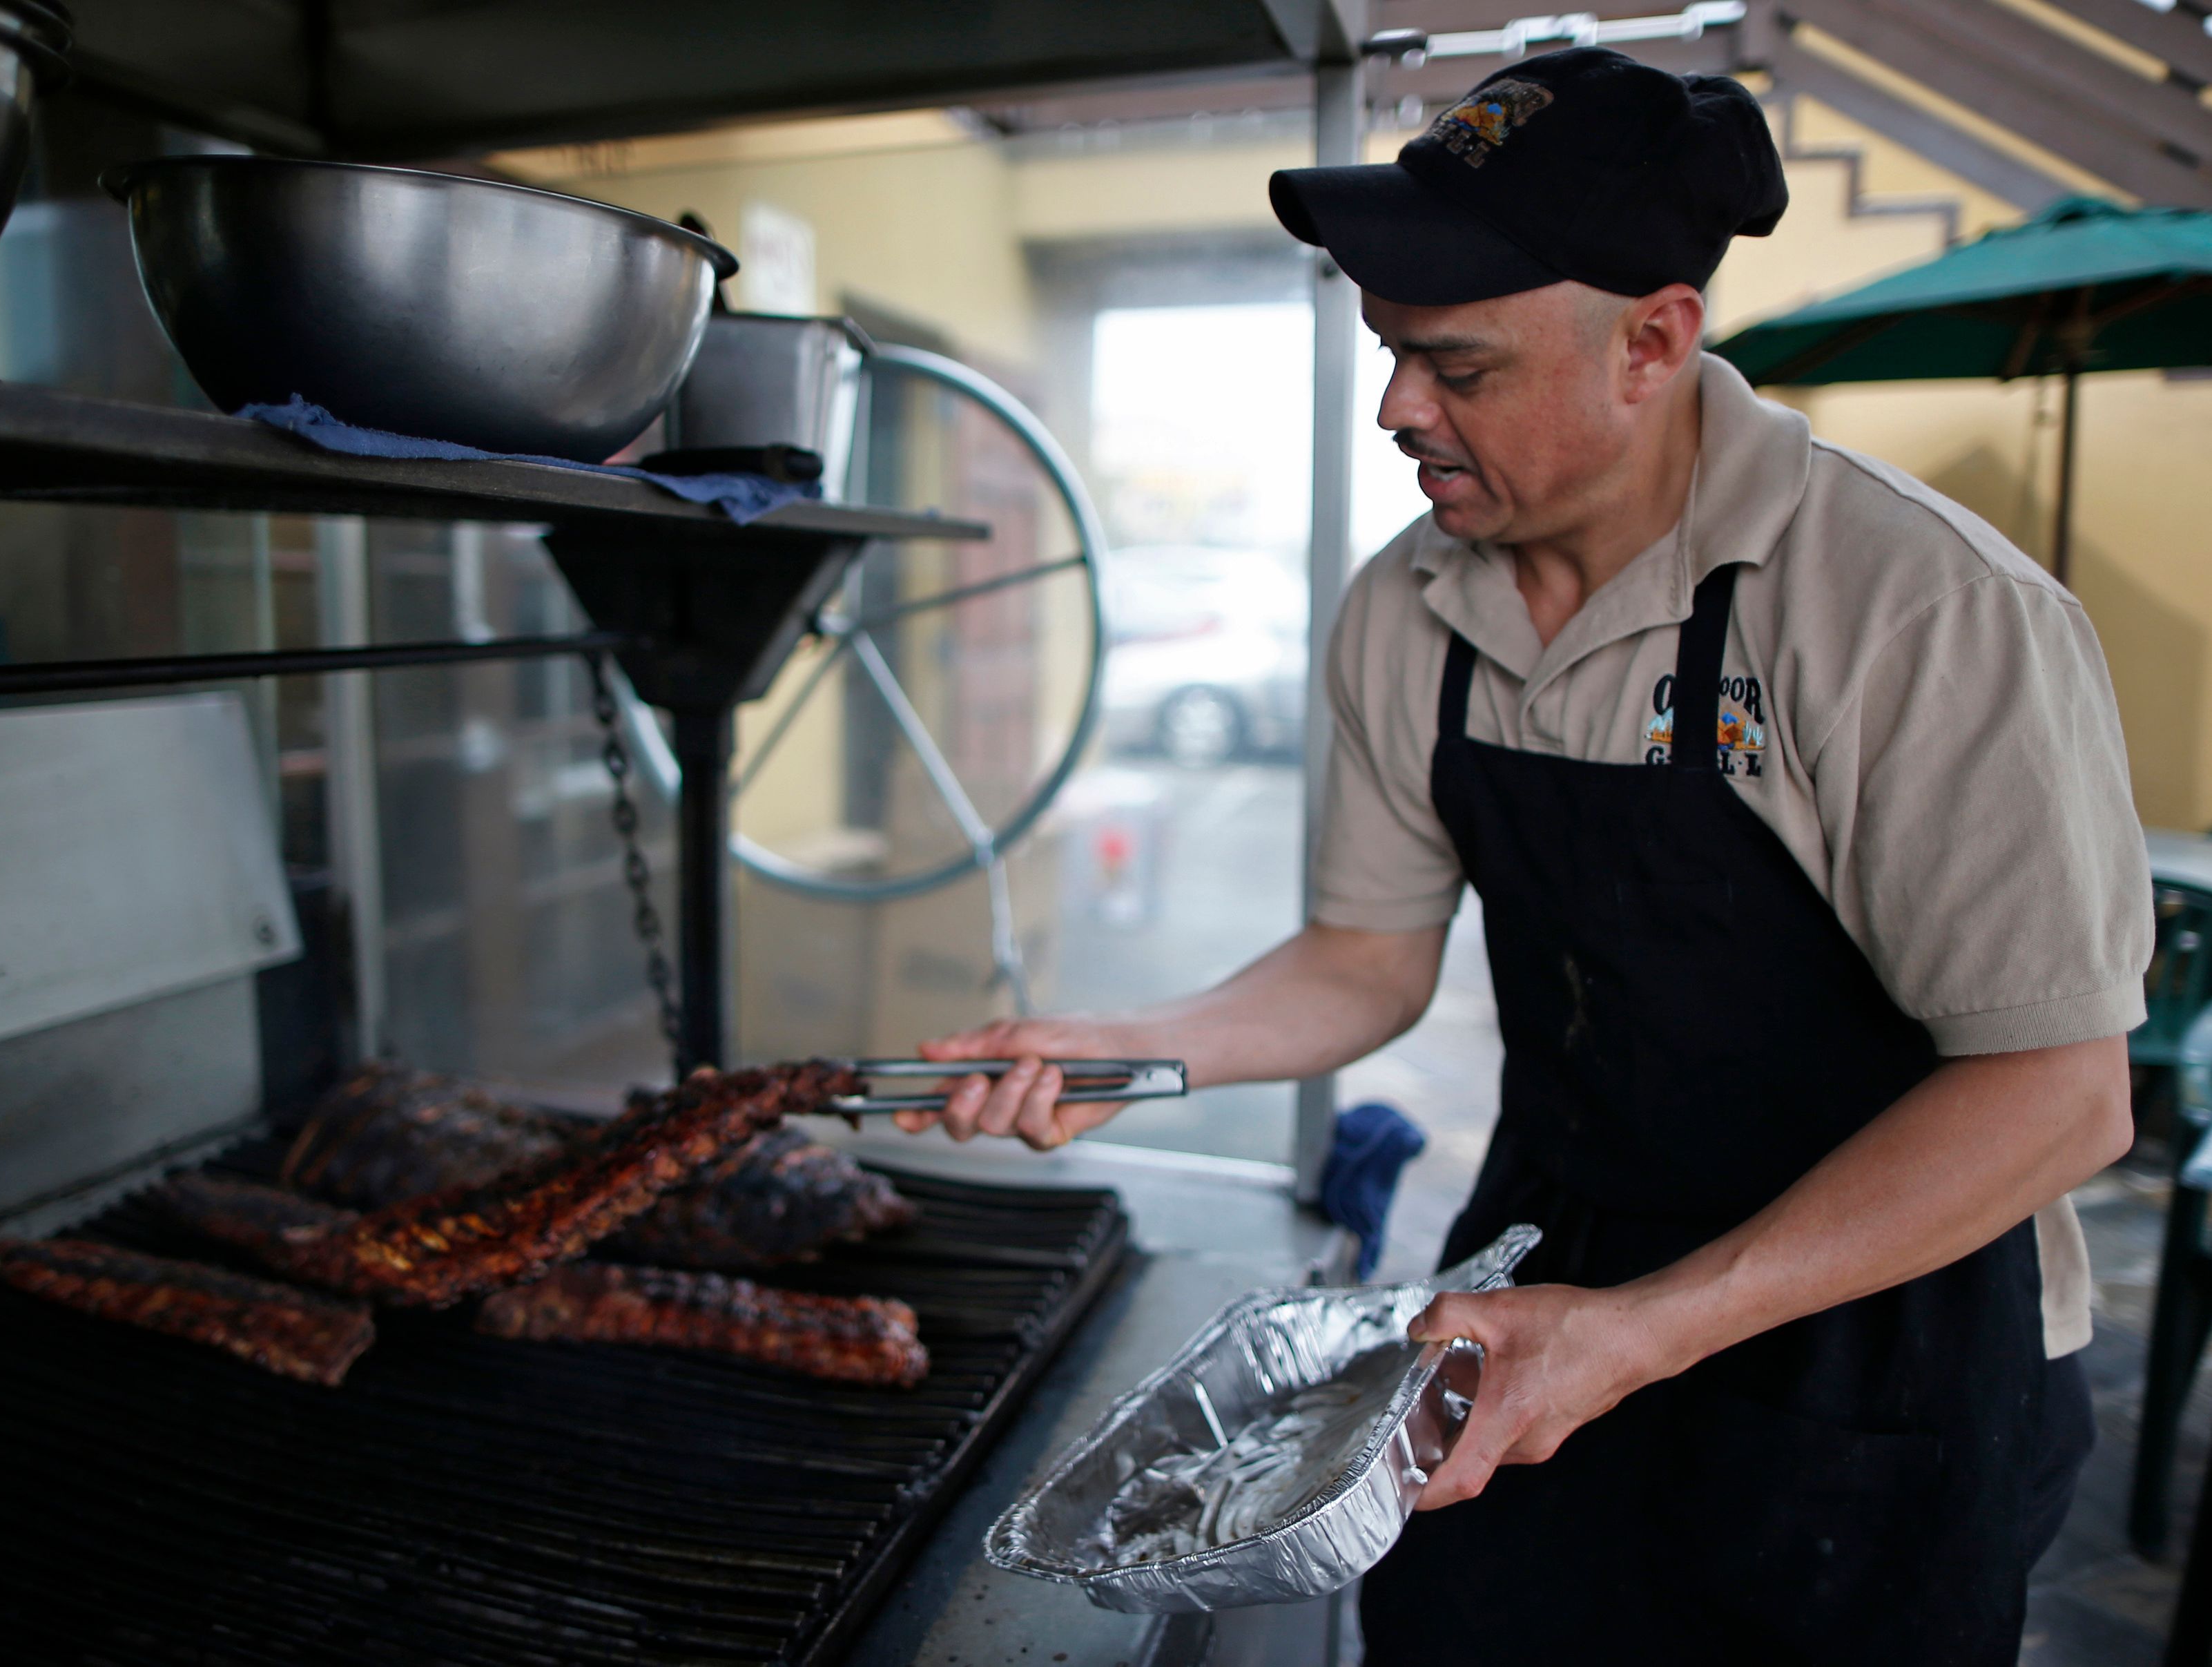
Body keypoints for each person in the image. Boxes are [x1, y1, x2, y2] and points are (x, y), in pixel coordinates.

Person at [900, 46, 2150, 1664]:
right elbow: (1363, 958)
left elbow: (2057, 1092)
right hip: (1537, 1279)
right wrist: (1124, 1047)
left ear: (1653, 343)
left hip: (1882, 1344)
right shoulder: (1410, 602)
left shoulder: (1914, 611)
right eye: (1389, 355)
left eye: (1457, 367)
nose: (1396, 409)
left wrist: (1640, 1333)